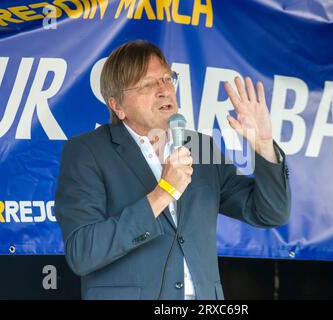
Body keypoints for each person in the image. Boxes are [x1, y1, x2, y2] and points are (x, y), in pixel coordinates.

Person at [54, 40, 291, 300]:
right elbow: (83, 253)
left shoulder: (199, 146)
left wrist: (264, 147)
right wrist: (162, 193)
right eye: (147, 84)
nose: (164, 90)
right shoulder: (87, 151)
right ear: (117, 106)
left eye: (167, 78)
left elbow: (270, 213)